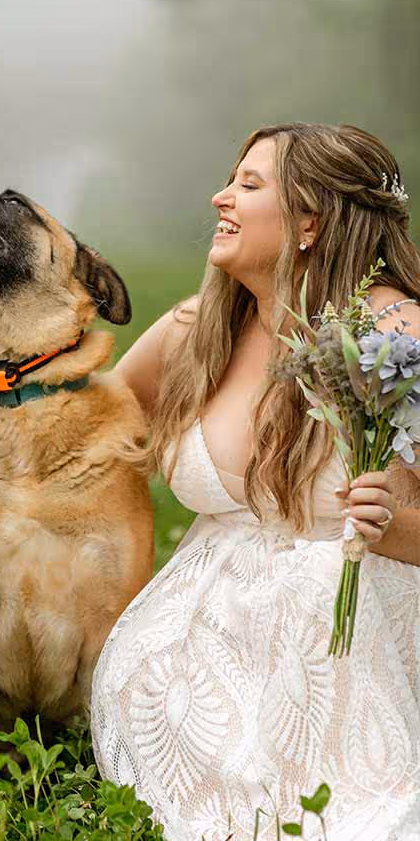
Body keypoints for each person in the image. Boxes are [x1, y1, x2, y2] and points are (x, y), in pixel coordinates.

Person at [90, 124, 420, 841]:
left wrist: (396, 527)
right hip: (192, 652)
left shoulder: (393, 338)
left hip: (350, 636)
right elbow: (85, 432)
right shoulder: (194, 331)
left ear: (311, 220)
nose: (220, 197)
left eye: (248, 184)